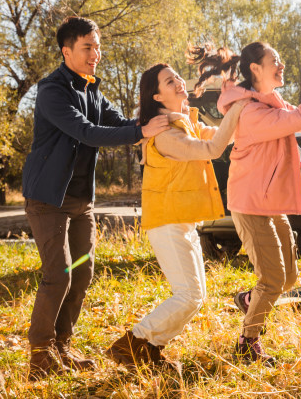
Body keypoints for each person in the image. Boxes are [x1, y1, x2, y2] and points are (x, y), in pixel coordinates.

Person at [22, 16, 169, 380]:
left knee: (83, 272)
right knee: (58, 275)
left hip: (79, 201)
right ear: (67, 51)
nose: (95, 54)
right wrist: (140, 131)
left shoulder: (91, 89)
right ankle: (40, 357)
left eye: (97, 46)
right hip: (47, 198)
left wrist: (154, 121)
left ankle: (62, 347)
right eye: (88, 47)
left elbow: (117, 122)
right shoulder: (52, 90)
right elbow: (85, 132)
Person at [190, 41, 301, 365]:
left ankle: (249, 299)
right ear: (255, 69)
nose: (282, 64)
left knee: (288, 278)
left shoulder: (271, 105)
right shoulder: (251, 112)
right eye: (275, 59)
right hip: (250, 205)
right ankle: (247, 342)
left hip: (270, 204)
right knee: (273, 279)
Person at [104, 63, 247, 374]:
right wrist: (238, 109)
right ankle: (132, 342)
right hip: (166, 223)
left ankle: (150, 348)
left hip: (181, 221)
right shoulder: (166, 135)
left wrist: (245, 107)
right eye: (171, 81)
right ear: (157, 95)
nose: (180, 82)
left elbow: (225, 132)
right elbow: (211, 148)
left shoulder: (185, 124)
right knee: (188, 294)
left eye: (178, 77)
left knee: (196, 296)